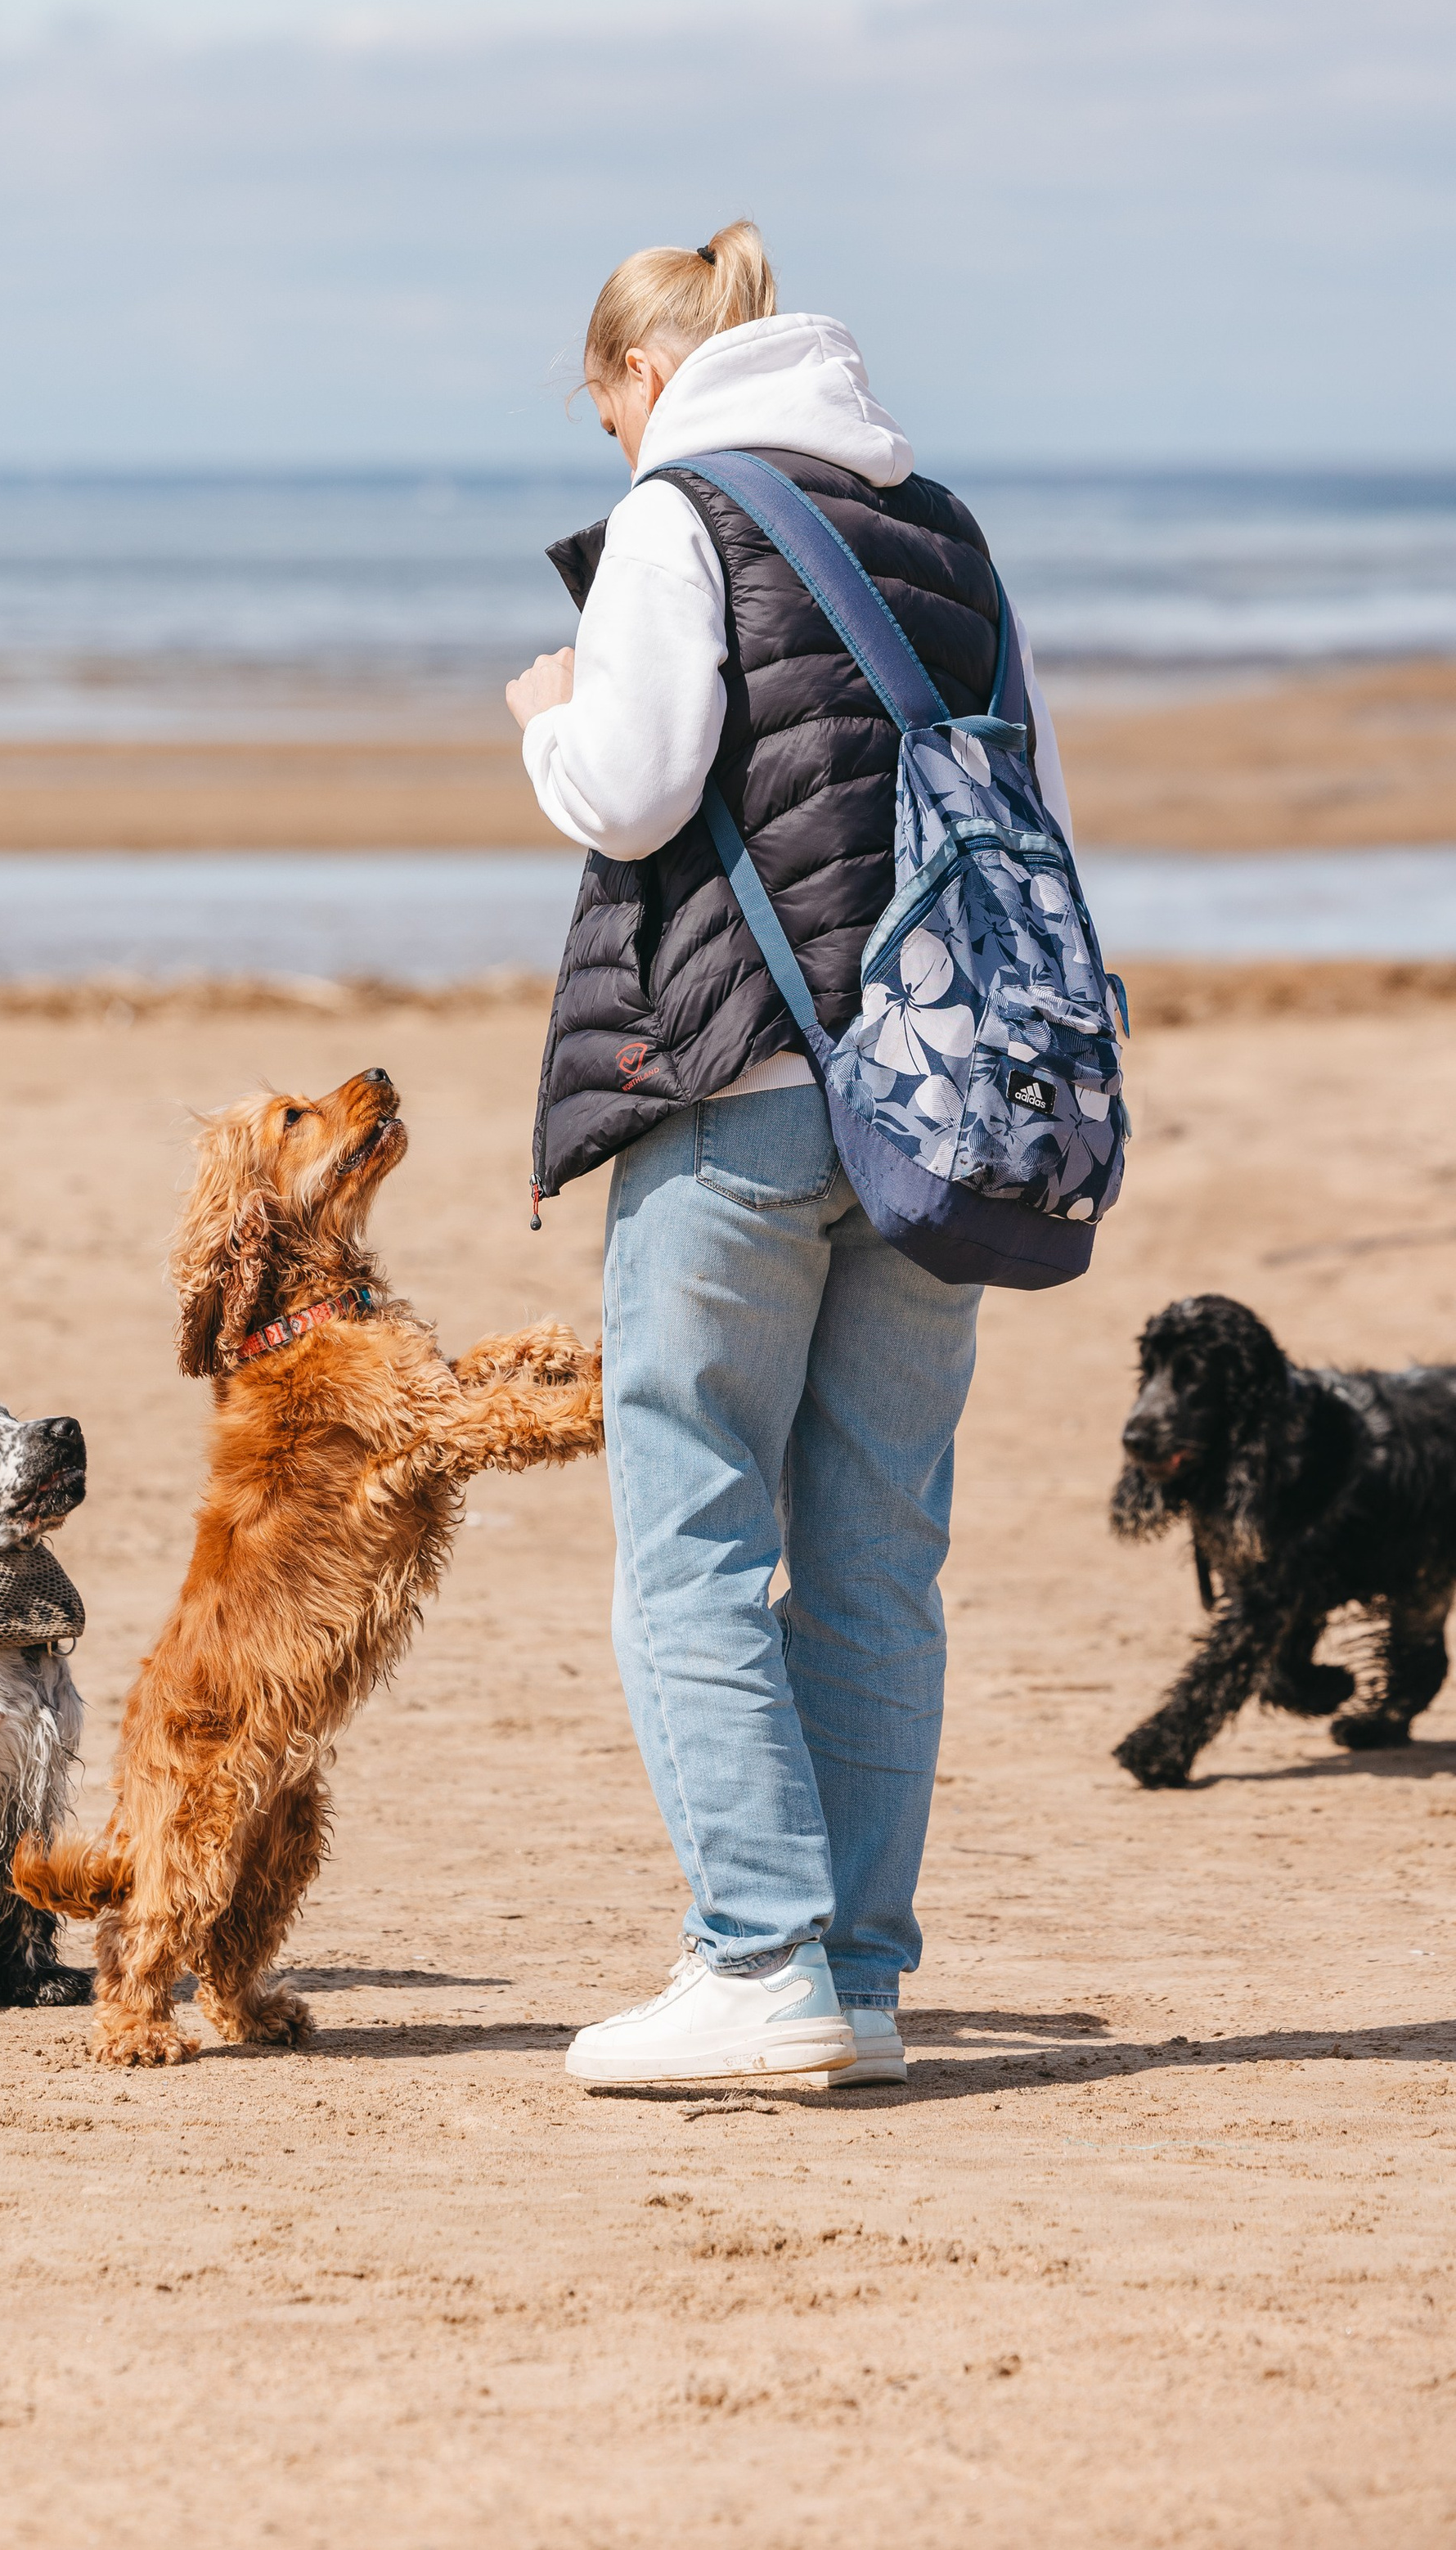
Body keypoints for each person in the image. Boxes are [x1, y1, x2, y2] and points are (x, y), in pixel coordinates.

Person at [506, 221, 1070, 2089]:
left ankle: (753, 1959)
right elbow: (1017, 807)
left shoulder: (684, 510)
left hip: (744, 1078)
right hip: (934, 1106)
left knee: (686, 1527)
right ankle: (859, 1970)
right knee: (870, 1554)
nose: (616, 453)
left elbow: (638, 781)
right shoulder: (948, 531)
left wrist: (543, 725)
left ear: (641, 383)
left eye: (606, 421)